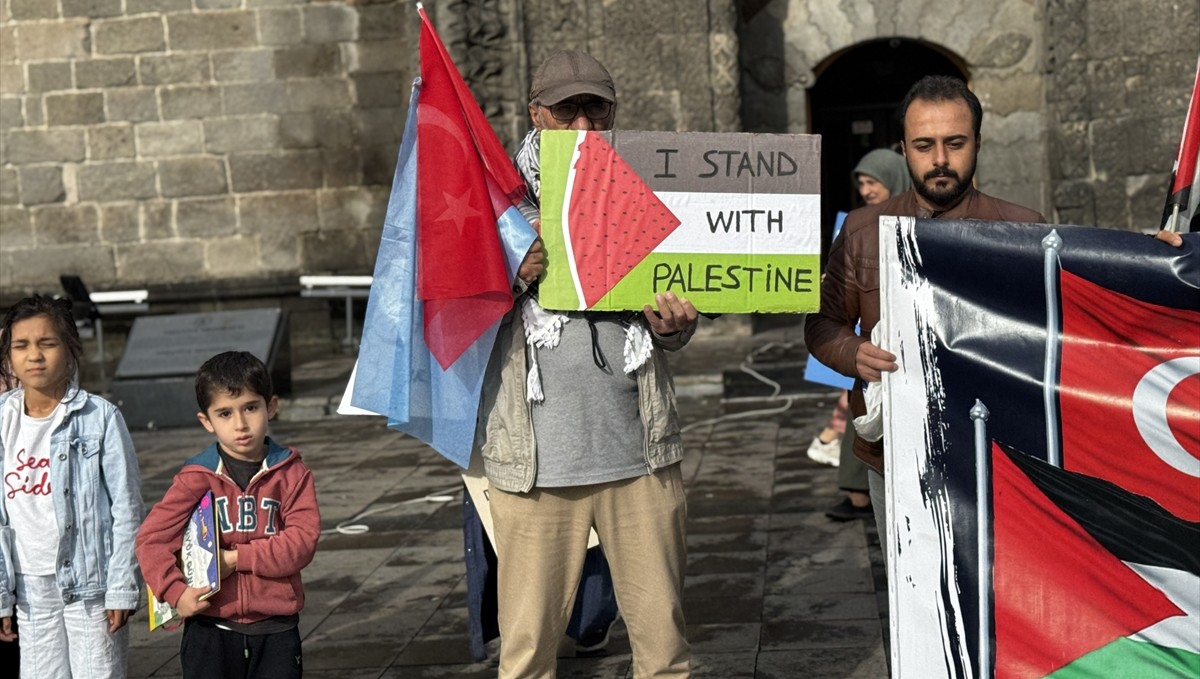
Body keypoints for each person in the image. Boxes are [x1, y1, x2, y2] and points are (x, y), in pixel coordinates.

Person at [477, 49, 697, 678]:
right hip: (535, 469)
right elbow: (447, 314)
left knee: (664, 652)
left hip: (641, 457)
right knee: (527, 656)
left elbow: (676, 304)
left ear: (613, 112)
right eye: (565, 110)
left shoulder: (646, 190)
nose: (582, 125)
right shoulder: (495, 205)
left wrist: (675, 327)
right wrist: (509, 275)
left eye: (595, 109)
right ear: (535, 113)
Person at [804, 75, 1046, 555]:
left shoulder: (1025, 229)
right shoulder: (861, 230)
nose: (939, 159)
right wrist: (854, 353)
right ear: (903, 149)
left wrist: (1161, 260)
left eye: (955, 143)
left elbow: (1069, 325)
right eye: (923, 145)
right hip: (892, 455)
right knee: (908, 587)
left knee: (998, 586)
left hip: (1000, 456)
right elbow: (821, 324)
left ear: (978, 143)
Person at [136, 351, 320, 679]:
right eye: (224, 413)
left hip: (276, 629)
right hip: (210, 629)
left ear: (271, 406)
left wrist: (234, 559)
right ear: (206, 421)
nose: (240, 424)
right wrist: (176, 593)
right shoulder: (196, 476)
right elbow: (151, 540)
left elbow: (302, 543)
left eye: (250, 408)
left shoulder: (292, 474)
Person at [0, 295, 144, 679]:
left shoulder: (100, 418)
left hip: (91, 584)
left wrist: (121, 586)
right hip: (29, 586)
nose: (34, 355)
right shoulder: (3, 419)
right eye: (21, 345)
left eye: (47, 343)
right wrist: (2, 593)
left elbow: (127, 508)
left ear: (70, 349)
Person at [816, 148, 913, 522]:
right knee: (862, 412)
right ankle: (858, 494)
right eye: (861, 183)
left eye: (873, 181)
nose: (866, 190)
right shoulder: (858, 228)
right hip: (865, 349)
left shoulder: (929, 225)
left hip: (903, 353)